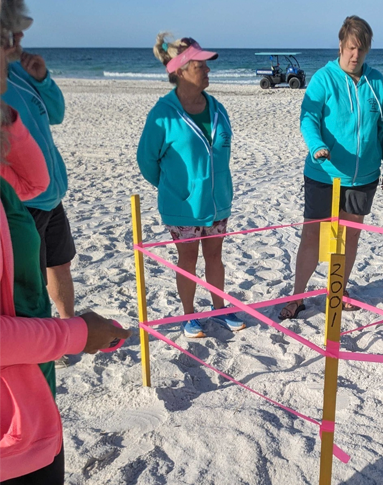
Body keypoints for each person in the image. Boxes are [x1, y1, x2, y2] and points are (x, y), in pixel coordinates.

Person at [0, 15, 132, 483]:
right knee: (28, 293)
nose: (16, 38)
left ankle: (64, 321)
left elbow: (45, 139)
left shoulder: (17, 76)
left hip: (40, 197)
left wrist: (39, 81)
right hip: (12, 443)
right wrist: (74, 336)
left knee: (55, 273)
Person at [279, 15, 383, 320]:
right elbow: (308, 117)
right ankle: (298, 296)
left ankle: (339, 289)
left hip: (365, 177)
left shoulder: (376, 82)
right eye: (351, 48)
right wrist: (316, 144)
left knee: (349, 236)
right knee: (313, 237)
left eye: (362, 49)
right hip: (324, 174)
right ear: (341, 46)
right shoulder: (324, 78)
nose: (356, 55)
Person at [137, 33, 245, 338]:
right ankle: (188, 316)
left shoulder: (218, 108)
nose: (208, 70)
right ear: (181, 70)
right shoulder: (163, 114)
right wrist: (173, 187)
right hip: (181, 207)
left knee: (215, 257)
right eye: (202, 65)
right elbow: (146, 160)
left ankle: (220, 309)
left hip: (218, 202)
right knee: (187, 260)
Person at [1, 1, 77, 368]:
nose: (20, 37)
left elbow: (58, 114)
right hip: (22, 200)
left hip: (50, 194)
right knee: (28, 284)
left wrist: (43, 77)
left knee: (59, 264)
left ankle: (65, 336)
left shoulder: (18, 68)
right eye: (10, 31)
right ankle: (42, 345)